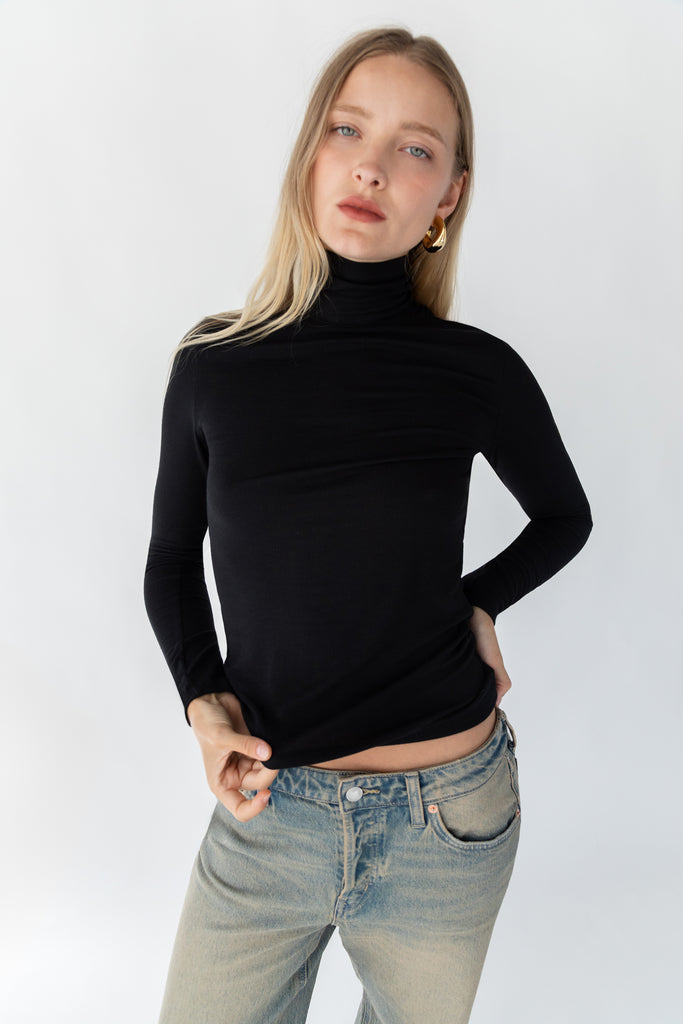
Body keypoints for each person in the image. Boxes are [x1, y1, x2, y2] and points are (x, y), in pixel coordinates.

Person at [143, 26, 592, 1024]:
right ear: (311, 150)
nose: (372, 166)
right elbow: (172, 559)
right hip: (271, 810)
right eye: (348, 130)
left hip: (447, 817)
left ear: (448, 197)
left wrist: (476, 602)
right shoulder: (214, 366)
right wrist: (203, 703)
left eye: (414, 147)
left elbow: (564, 517)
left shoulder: (474, 371)